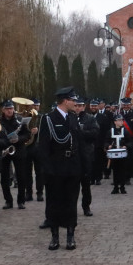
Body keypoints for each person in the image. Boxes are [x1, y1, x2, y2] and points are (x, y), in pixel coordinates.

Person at [38, 86, 84, 250]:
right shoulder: (48, 119)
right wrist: (47, 170)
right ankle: (55, 237)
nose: (75, 103)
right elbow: (42, 148)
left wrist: (83, 167)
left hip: (72, 167)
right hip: (55, 168)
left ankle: (70, 236)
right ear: (65, 101)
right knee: (54, 203)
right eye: (73, 100)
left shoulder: (73, 118)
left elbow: (79, 143)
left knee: (71, 202)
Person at [0, 99, 30, 209]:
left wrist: (18, 139)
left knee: (21, 177)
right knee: (4, 178)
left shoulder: (20, 120)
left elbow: (27, 135)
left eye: (11, 108)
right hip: (4, 150)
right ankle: (8, 201)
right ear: (3, 110)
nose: (9, 111)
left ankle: (21, 201)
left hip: (19, 150)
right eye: (7, 109)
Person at [72, 96, 98, 216]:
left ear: (84, 106)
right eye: (76, 105)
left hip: (86, 154)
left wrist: (82, 132)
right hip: (73, 155)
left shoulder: (90, 118)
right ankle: (71, 207)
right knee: (72, 184)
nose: (78, 108)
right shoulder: (69, 117)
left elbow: (95, 133)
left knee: (86, 183)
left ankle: (86, 206)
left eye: (80, 106)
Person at [106, 115, 132, 194]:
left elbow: (130, 142)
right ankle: (116, 187)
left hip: (123, 154)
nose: (121, 122)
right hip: (114, 155)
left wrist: (126, 146)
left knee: (123, 171)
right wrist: (108, 146)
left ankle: (123, 187)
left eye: (122, 120)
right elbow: (106, 141)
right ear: (115, 122)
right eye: (119, 120)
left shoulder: (125, 131)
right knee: (115, 171)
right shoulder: (110, 131)